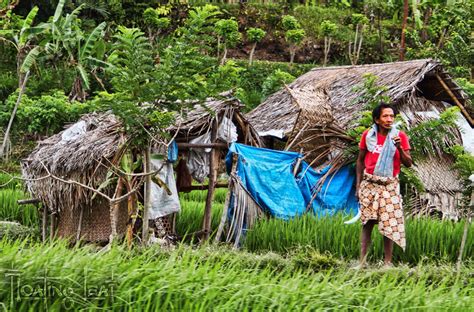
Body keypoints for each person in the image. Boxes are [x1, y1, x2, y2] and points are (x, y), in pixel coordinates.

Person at [356, 102, 412, 267]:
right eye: (385, 116)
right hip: (369, 184)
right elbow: (360, 161)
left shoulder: (399, 136)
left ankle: (387, 264)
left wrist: (399, 148)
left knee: (388, 223)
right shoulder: (368, 135)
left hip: (389, 185)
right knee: (367, 223)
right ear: (377, 119)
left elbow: (408, 163)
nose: (389, 119)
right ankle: (362, 262)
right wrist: (358, 186)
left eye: (392, 116)